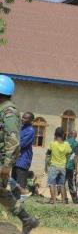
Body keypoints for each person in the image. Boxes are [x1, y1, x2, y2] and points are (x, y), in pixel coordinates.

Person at [0, 75, 39, 233]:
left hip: (2, 160)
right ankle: (27, 220)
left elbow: (13, 140)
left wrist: (6, 166)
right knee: (1, 193)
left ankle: (27, 219)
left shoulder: (9, 111)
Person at [46, 127, 72, 204]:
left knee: (51, 184)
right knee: (61, 185)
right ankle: (63, 202)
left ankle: (53, 201)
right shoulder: (67, 144)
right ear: (63, 135)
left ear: (55, 134)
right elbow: (69, 153)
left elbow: (48, 154)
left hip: (53, 166)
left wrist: (46, 166)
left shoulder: (52, 144)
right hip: (62, 167)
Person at [12, 112, 35, 194]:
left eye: (25, 118)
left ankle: (20, 205)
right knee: (13, 185)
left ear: (31, 120)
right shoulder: (21, 128)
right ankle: (14, 204)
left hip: (23, 161)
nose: (22, 119)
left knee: (20, 186)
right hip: (16, 160)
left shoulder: (30, 130)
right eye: (22, 117)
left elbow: (22, 144)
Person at [65, 130, 78, 204]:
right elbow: (76, 156)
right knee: (71, 183)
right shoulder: (76, 143)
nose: (77, 135)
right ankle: (75, 200)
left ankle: (64, 198)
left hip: (63, 165)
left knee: (62, 182)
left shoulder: (64, 142)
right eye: (76, 134)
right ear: (74, 135)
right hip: (70, 166)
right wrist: (76, 168)